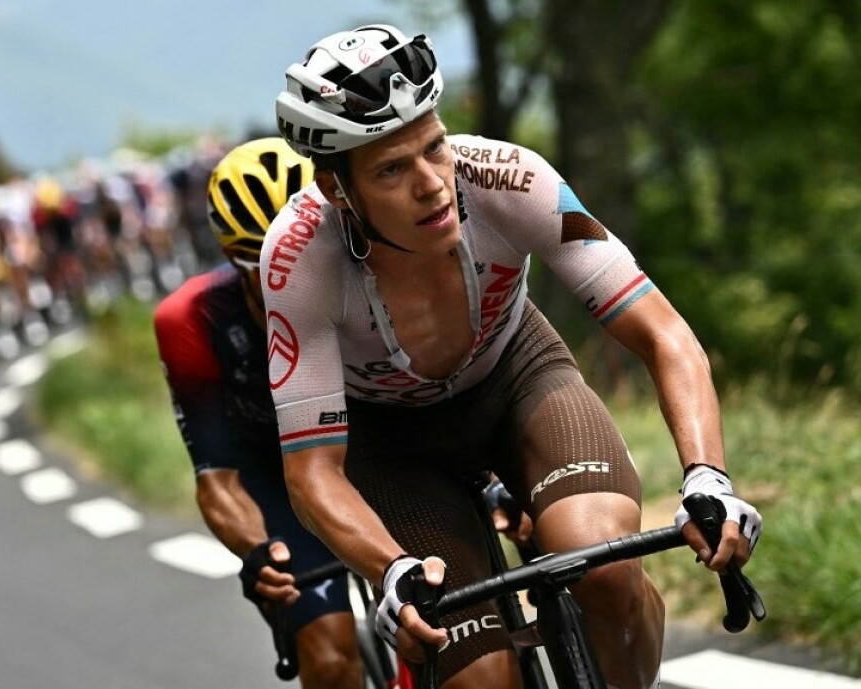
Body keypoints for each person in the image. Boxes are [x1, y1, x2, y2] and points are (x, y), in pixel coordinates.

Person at [262, 24, 763, 689]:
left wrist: (708, 477)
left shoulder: (512, 179)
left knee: (606, 569)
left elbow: (664, 335)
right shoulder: (298, 261)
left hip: (517, 379)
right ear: (337, 190)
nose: (432, 184)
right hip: (392, 446)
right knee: (481, 679)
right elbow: (313, 473)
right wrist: (390, 569)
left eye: (434, 146)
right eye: (391, 169)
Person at [153, 138, 364, 689]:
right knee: (331, 659)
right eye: (270, 267)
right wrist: (257, 553)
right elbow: (217, 479)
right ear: (234, 260)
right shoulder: (192, 319)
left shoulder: (375, 269)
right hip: (278, 477)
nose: (294, 280)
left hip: (380, 446)